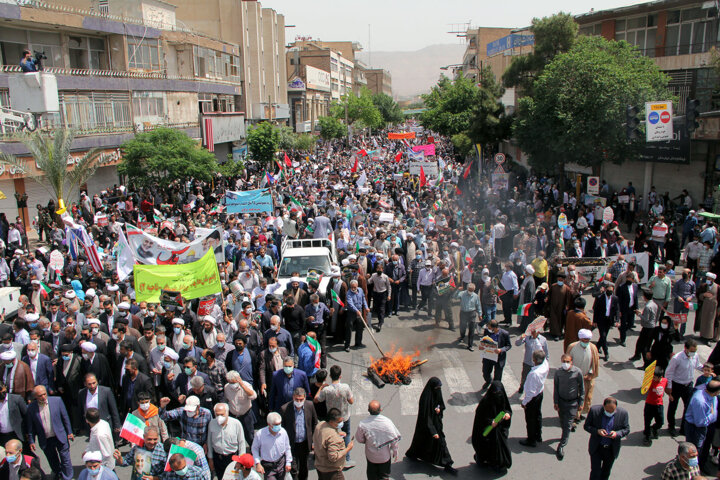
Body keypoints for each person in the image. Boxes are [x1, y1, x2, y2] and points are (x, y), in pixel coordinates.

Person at [405, 377, 456, 475]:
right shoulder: (425, 398)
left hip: (436, 424)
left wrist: (439, 409)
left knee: (441, 443)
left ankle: (447, 464)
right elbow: (426, 417)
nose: (438, 389)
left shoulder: (437, 392)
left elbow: (441, 404)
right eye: (437, 387)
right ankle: (413, 454)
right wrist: (433, 431)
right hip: (427, 426)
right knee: (424, 441)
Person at [314, 365, 354, 465]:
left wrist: (321, 388)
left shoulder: (327, 390)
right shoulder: (345, 387)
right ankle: (347, 459)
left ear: (330, 376)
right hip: (344, 416)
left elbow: (316, 399)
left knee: (332, 436)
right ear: (340, 376)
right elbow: (351, 401)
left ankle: (332, 453)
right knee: (347, 434)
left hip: (332, 419)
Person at [584, 397, 630, 480]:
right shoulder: (594, 411)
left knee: (606, 472)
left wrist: (617, 434)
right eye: (608, 411)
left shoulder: (623, 413)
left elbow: (626, 429)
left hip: (610, 449)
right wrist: (597, 431)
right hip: (597, 448)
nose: (610, 412)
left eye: (612, 411)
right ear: (603, 406)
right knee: (595, 472)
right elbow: (586, 426)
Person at [471, 381, 512, 472]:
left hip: (499, 430)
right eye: (495, 393)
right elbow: (480, 418)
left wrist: (507, 414)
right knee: (486, 447)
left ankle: (496, 464)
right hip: (488, 432)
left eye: (499, 393)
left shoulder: (502, 398)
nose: (497, 395)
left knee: (498, 448)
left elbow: (507, 409)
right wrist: (491, 422)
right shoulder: (485, 403)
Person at [666, 339, 703, 437]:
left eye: (694, 351)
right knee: (673, 406)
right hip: (676, 385)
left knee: (688, 407)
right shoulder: (677, 358)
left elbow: (698, 365)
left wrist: (706, 369)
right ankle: (671, 426)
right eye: (691, 351)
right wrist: (669, 387)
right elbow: (669, 373)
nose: (693, 353)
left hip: (688, 385)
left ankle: (683, 428)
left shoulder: (695, 356)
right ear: (685, 349)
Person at [355, 400, 401, 480]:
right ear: (380, 410)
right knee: (384, 476)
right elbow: (394, 440)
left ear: (368, 410)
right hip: (384, 457)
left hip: (371, 456)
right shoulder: (387, 422)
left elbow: (359, 439)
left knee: (372, 475)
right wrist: (395, 451)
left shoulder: (362, 424)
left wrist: (367, 441)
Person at [280, 388, 317, 480]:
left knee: (304, 467)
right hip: (292, 444)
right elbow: (282, 428)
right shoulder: (285, 409)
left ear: (305, 398)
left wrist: (313, 440)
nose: (299, 402)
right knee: (293, 468)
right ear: (293, 397)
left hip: (305, 443)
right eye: (296, 399)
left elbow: (314, 423)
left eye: (301, 400)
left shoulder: (310, 405)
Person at [684, 378, 720, 470]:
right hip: (696, 428)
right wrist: (712, 415)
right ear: (715, 391)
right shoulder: (700, 401)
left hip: (708, 425)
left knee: (705, 447)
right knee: (695, 449)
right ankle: (691, 468)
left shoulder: (713, 396)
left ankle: (700, 465)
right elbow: (700, 422)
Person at [553, 353, 584, 461]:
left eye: (568, 361)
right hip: (561, 402)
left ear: (572, 362)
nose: (565, 364)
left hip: (572, 403)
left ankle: (561, 445)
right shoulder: (558, 372)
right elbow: (555, 388)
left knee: (567, 424)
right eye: (563, 361)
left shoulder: (577, 372)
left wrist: (581, 403)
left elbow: (582, 389)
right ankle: (565, 433)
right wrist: (555, 402)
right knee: (562, 421)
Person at [567, 329, 599, 424]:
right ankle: (573, 416)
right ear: (580, 338)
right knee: (573, 398)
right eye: (584, 339)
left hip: (586, 378)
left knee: (585, 397)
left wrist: (590, 373)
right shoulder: (572, 347)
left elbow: (595, 362)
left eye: (587, 340)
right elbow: (567, 360)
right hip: (574, 378)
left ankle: (579, 414)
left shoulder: (592, 348)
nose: (586, 342)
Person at [312, 407, 354, 479]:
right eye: (339, 422)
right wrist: (348, 449)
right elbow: (333, 457)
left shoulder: (320, 425)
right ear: (331, 422)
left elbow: (324, 437)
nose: (341, 423)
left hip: (320, 465)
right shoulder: (334, 438)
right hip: (332, 471)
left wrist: (337, 433)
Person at [207, 403, 246, 478]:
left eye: (222, 414)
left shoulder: (236, 424)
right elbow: (209, 442)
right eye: (217, 415)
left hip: (232, 458)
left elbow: (241, 443)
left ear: (227, 413)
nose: (219, 417)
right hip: (218, 458)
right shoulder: (212, 423)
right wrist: (210, 459)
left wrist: (240, 460)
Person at [520, 350, 549, 448]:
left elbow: (530, 392)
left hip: (532, 398)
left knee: (530, 419)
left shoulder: (534, 374)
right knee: (538, 415)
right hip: (540, 394)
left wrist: (524, 402)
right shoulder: (545, 364)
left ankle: (531, 439)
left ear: (535, 360)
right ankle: (538, 435)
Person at [251, 412, 292, 479]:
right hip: (268, 466)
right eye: (276, 425)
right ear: (269, 424)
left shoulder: (283, 432)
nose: (278, 426)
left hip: (281, 463)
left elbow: (287, 448)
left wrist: (288, 462)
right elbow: (254, 449)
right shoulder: (260, 434)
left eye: (279, 424)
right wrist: (257, 463)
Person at [515, 326, 549, 394]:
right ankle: (522, 386)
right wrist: (521, 338)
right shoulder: (527, 337)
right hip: (528, 362)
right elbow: (517, 343)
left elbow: (546, 353)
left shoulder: (543, 339)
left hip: (538, 364)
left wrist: (546, 363)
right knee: (524, 377)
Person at [480, 320, 511, 390]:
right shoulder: (487, 331)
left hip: (499, 358)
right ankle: (488, 381)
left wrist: (501, 350)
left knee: (497, 376)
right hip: (488, 356)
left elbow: (508, 346)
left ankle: (495, 388)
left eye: (490, 328)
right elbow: (484, 340)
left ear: (495, 328)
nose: (489, 329)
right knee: (485, 372)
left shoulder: (504, 334)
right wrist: (482, 346)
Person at [592, 284, 619, 361]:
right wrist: (594, 321)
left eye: (611, 291)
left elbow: (617, 310)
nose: (610, 292)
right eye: (608, 290)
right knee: (603, 336)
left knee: (604, 335)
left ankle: (597, 347)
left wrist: (617, 320)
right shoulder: (600, 298)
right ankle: (606, 352)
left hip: (609, 320)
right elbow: (596, 310)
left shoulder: (615, 298)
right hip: (601, 320)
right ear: (605, 290)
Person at [643, 367, 667, 446]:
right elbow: (644, 389)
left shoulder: (664, 381)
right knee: (647, 421)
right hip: (649, 404)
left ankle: (654, 428)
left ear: (660, 377)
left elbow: (666, 388)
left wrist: (670, 395)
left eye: (655, 377)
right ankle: (647, 436)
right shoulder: (650, 382)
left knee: (660, 422)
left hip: (659, 405)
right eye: (652, 377)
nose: (653, 378)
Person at [457, 282, 482, 351]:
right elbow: (455, 297)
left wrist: (480, 314)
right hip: (463, 313)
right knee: (463, 327)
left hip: (472, 313)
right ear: (467, 289)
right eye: (469, 290)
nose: (470, 292)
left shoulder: (475, 296)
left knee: (471, 330)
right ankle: (462, 336)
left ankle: (470, 345)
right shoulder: (462, 294)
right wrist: (457, 290)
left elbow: (478, 305)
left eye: (472, 290)